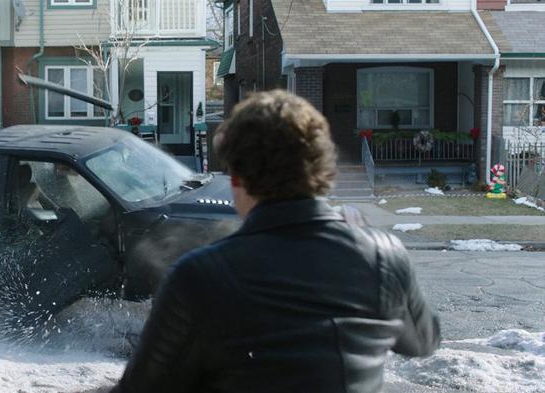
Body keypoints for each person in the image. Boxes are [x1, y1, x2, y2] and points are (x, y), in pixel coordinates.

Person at [113, 90, 441, 393]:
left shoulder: (197, 275)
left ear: (238, 178)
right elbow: (423, 342)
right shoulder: (383, 255)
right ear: (324, 171)